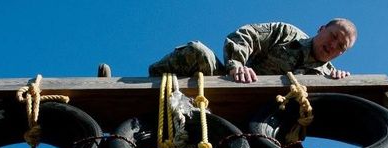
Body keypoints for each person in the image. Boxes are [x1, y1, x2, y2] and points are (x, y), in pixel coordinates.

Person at [148, 19, 357, 82]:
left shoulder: (329, 76)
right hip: (234, 88)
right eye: (333, 36)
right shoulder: (286, 33)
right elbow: (246, 36)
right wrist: (236, 65)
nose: (333, 45)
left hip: (268, 125)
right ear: (321, 29)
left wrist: (339, 83)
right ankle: (148, 87)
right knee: (197, 51)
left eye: (340, 46)